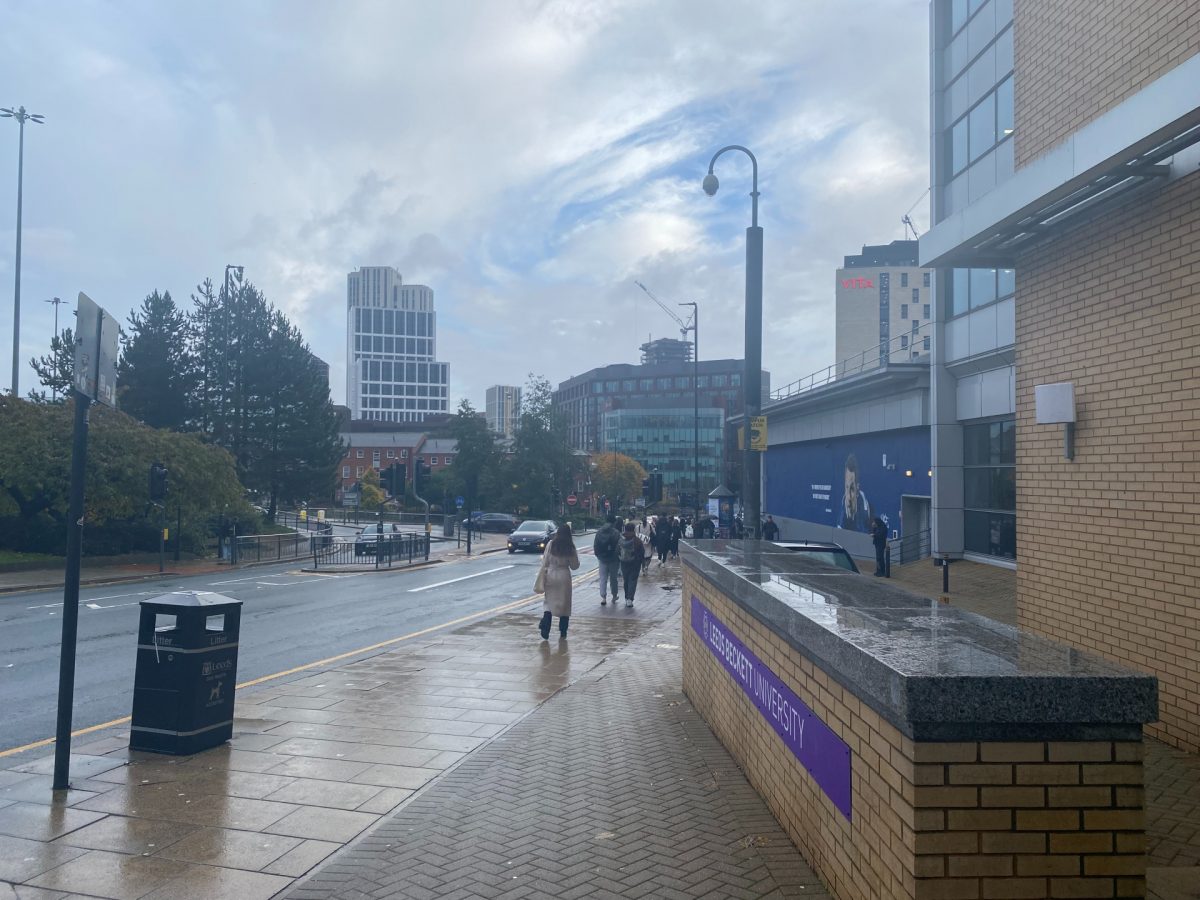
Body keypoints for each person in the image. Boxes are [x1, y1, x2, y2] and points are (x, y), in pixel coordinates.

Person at [538, 523, 580, 639]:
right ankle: (563, 631)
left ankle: (545, 627)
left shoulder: (551, 544)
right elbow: (575, 566)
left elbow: (545, 561)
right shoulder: (570, 547)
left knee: (548, 603)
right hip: (564, 575)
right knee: (565, 604)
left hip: (551, 575)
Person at [837, 453, 872, 532]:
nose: (848, 497)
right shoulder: (843, 507)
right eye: (846, 487)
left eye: (852, 489)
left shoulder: (864, 512)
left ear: (857, 490)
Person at [592, 516, 621, 606]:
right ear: (614, 523)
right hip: (613, 559)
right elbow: (619, 546)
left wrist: (598, 555)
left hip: (602, 558)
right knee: (613, 578)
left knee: (603, 578)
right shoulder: (616, 532)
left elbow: (595, 544)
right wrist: (617, 556)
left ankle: (603, 597)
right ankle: (614, 595)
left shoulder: (599, 531)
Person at [617, 522, 646, 607]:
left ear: (625, 529)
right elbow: (642, 552)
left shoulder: (621, 540)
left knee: (626, 580)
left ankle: (626, 598)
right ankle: (630, 599)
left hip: (624, 563)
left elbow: (617, 550)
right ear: (634, 529)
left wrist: (619, 558)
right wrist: (642, 563)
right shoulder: (637, 540)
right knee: (632, 581)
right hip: (635, 563)